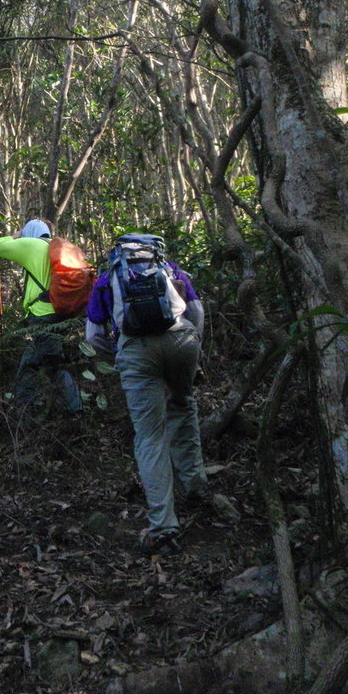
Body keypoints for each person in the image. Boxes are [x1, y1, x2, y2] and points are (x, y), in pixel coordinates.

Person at [85, 233, 207, 557]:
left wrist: (120, 355)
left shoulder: (108, 277)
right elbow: (196, 311)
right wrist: (194, 350)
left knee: (150, 436)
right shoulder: (170, 268)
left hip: (136, 350)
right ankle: (196, 486)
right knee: (183, 404)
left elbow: (93, 335)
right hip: (182, 341)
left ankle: (163, 527)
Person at [0, 219, 82, 418]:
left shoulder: (33, 245)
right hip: (63, 311)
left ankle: (27, 412)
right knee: (51, 361)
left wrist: (16, 235)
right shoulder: (58, 248)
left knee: (44, 364)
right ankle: (63, 409)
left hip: (43, 315)